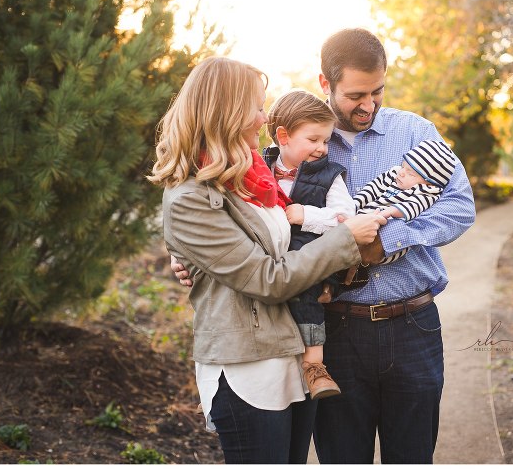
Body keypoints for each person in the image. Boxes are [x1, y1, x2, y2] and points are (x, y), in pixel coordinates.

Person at [173, 29, 476, 463]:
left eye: (378, 91)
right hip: (333, 330)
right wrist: (183, 254)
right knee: (342, 457)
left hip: (412, 324)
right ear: (325, 83)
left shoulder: (415, 132)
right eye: (356, 94)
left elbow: (460, 207)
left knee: (412, 456)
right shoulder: (295, 140)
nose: (368, 104)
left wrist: (385, 239)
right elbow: (230, 205)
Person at [148, 56, 386, 464]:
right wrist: (345, 238)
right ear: (227, 112)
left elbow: (276, 244)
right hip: (248, 365)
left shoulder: (250, 177)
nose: (263, 117)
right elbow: (268, 279)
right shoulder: (190, 196)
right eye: (256, 107)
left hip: (290, 353)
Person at [261, 88, 357, 400]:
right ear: (283, 135)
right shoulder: (258, 167)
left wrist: (307, 215)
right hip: (267, 258)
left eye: (326, 140)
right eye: (313, 139)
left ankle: (315, 366)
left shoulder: (330, 175)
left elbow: (346, 218)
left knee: (305, 296)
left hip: (309, 254)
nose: (323, 148)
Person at [352, 139, 458, 265]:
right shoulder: (395, 173)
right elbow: (372, 189)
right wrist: (354, 205)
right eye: (403, 166)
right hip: (362, 219)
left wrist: (391, 211)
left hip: (385, 231)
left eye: (410, 173)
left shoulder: (428, 191)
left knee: (361, 257)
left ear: (429, 182)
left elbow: (414, 206)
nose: (402, 173)